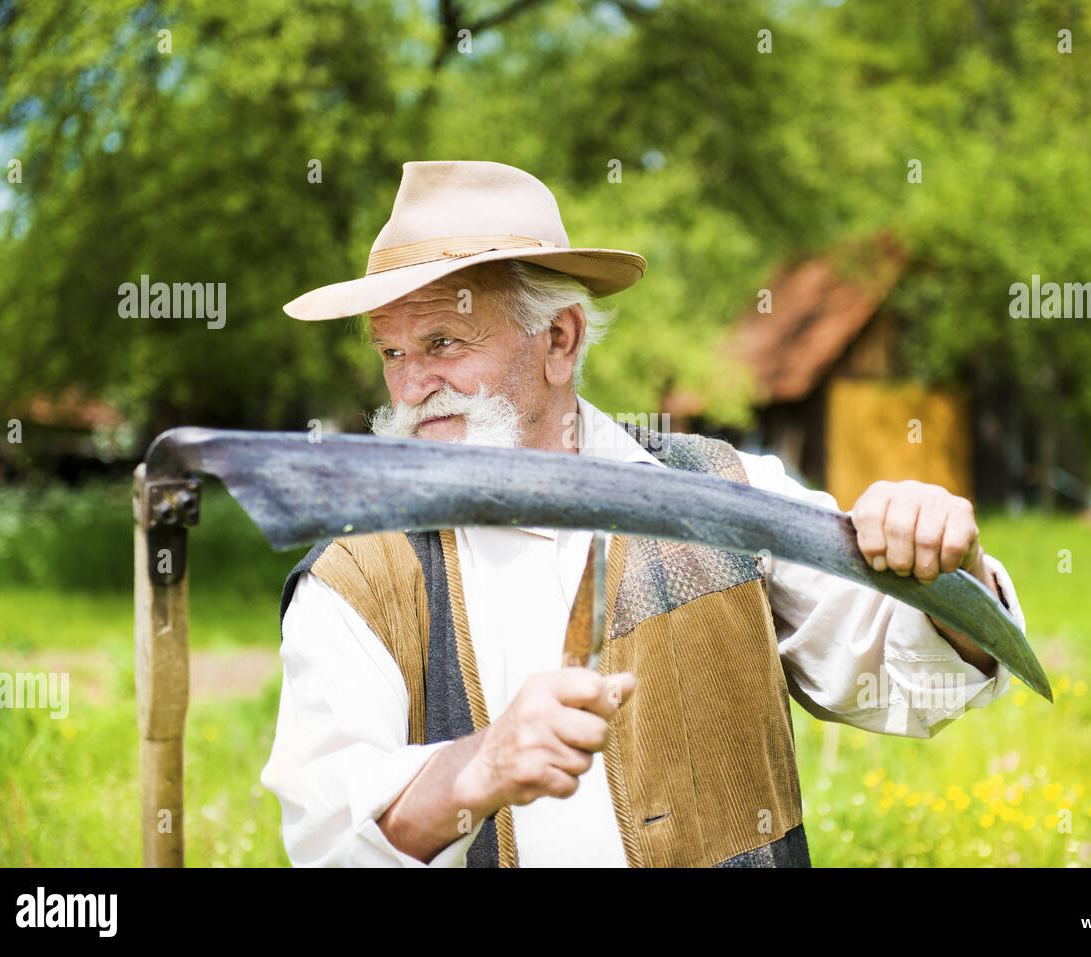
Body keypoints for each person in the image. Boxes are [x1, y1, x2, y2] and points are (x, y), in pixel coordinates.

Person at [260, 160, 1026, 867]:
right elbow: (332, 839)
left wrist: (944, 568)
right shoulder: (356, 573)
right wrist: (476, 767)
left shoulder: (721, 491)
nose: (413, 384)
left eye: (443, 340)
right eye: (392, 353)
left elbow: (918, 684)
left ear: (559, 339)